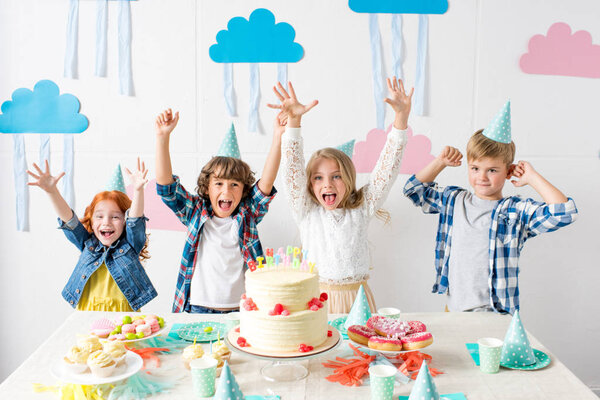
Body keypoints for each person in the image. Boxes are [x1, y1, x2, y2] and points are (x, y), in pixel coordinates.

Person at [403, 108, 578, 314]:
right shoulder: (454, 201)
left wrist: (532, 178)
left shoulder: (514, 212)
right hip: (453, 309)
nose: (482, 177)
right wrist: (440, 162)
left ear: (508, 171)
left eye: (492, 170)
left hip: (495, 313)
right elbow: (413, 191)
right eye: (475, 168)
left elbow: (565, 212)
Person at [272, 78, 412, 313]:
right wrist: (294, 123)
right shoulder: (306, 211)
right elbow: (291, 171)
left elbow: (386, 171)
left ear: (348, 179)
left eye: (336, 176)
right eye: (318, 178)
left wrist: (401, 120)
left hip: (357, 301)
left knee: (358, 351)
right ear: (309, 183)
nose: (327, 184)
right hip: (316, 300)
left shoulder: (361, 208)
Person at [155, 109, 281, 313]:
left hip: (240, 309)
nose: (226, 191)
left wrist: (277, 138)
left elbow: (266, 183)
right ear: (207, 188)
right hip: (198, 307)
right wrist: (163, 137)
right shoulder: (195, 212)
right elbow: (167, 189)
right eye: (219, 183)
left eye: (234, 185)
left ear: (244, 191)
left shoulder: (247, 215)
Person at [27, 158, 157, 311]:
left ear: (124, 221)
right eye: (99, 216)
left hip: (122, 315)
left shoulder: (130, 246)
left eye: (115, 217)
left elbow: (135, 220)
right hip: (87, 312)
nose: (106, 222)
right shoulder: (87, 244)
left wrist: (138, 191)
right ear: (91, 219)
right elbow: (69, 220)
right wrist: (52, 191)